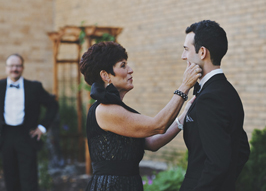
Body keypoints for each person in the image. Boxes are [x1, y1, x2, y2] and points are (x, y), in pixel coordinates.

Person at [79, 41, 201, 191]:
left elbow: (152, 142)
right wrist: (185, 86)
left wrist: (183, 116)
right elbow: (158, 125)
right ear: (105, 75)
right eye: (123, 65)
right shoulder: (104, 110)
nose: (131, 70)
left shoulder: (116, 108)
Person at [179, 20, 250, 190]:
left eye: (186, 49)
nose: (183, 56)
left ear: (202, 52)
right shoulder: (226, 91)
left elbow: (218, 163)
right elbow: (242, 151)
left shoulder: (210, 98)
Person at [0, 54, 59, 191]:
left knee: (29, 179)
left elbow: (52, 105)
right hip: (5, 135)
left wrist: (42, 127)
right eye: (11, 66)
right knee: (10, 179)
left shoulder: (34, 87)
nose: (15, 69)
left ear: (23, 68)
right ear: (6, 68)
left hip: (27, 135)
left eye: (18, 65)